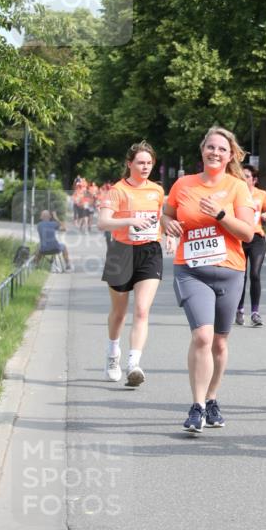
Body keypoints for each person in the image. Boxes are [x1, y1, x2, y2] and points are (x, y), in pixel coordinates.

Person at [162, 127, 255, 434]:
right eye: (211, 147)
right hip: (191, 270)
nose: (215, 153)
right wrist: (169, 224)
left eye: (222, 149)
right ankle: (197, 405)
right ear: (202, 150)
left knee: (219, 341)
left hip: (230, 270)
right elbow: (166, 213)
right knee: (202, 336)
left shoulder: (238, 187)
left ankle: (213, 397)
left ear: (230, 156)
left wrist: (220, 215)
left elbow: (247, 233)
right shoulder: (183, 184)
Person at [97, 142, 165, 387]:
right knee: (119, 312)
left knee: (142, 310)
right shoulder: (117, 190)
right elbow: (103, 223)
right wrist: (130, 220)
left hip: (150, 251)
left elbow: (160, 218)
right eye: (140, 162)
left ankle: (133, 363)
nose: (145, 167)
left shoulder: (157, 191)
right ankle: (112, 354)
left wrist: (171, 234)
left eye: (149, 163)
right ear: (129, 164)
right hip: (121, 252)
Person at [235, 166, 266, 327]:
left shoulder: (261, 194)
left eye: (247, 176)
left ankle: (255, 313)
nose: (244, 179)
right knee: (241, 276)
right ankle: (239, 309)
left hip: (257, 238)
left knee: (255, 274)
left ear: (254, 180)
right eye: (241, 176)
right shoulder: (236, 193)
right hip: (240, 238)